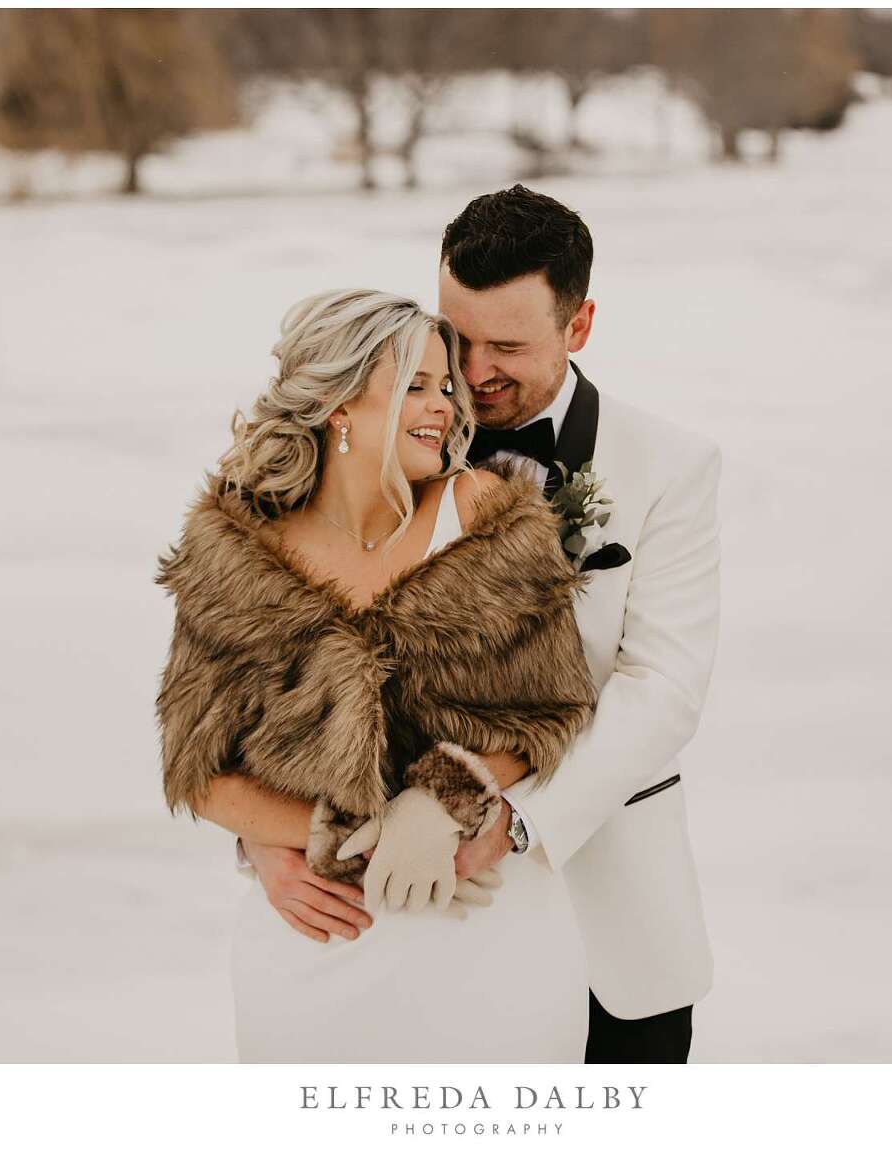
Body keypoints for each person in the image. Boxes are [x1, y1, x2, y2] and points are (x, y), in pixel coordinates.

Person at [242, 187, 722, 1063]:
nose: (472, 370)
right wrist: (267, 835)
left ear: (577, 328)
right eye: (458, 337)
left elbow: (663, 690)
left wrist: (508, 817)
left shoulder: (670, 468)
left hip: (613, 917)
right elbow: (279, 679)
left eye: (508, 346)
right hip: (417, 932)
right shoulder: (393, 442)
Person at [156, 288, 599, 1062]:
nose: (446, 408)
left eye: (446, 387)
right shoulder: (233, 550)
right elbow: (198, 768)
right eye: (416, 386)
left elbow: (552, 715)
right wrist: (350, 837)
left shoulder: (489, 517)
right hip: (313, 948)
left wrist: (438, 804)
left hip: (482, 941)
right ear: (338, 407)